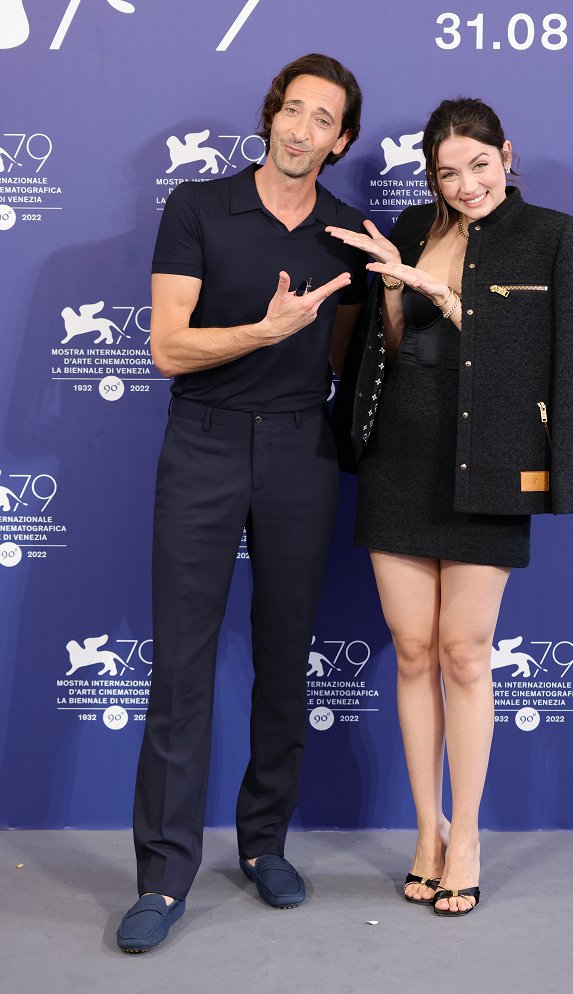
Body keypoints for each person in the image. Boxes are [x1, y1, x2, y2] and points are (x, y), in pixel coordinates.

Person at [116, 54, 367, 953]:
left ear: (340, 140)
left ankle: (265, 845)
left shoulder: (347, 235)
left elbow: (340, 354)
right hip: (205, 441)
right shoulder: (196, 208)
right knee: (180, 667)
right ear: (271, 119)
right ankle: (163, 876)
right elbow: (167, 350)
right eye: (290, 110)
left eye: (322, 118)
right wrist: (262, 331)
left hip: (300, 447)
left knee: (285, 656)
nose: (301, 129)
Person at [327, 97, 573, 916]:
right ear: (430, 176)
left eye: (478, 164)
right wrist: (394, 298)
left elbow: (572, 369)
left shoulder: (555, 236)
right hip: (401, 460)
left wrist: (564, 484)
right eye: (447, 171)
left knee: (463, 655)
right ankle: (426, 831)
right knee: (412, 652)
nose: (466, 183)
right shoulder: (409, 229)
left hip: (491, 468)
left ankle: (469, 835)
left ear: (505, 156)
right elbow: (396, 353)